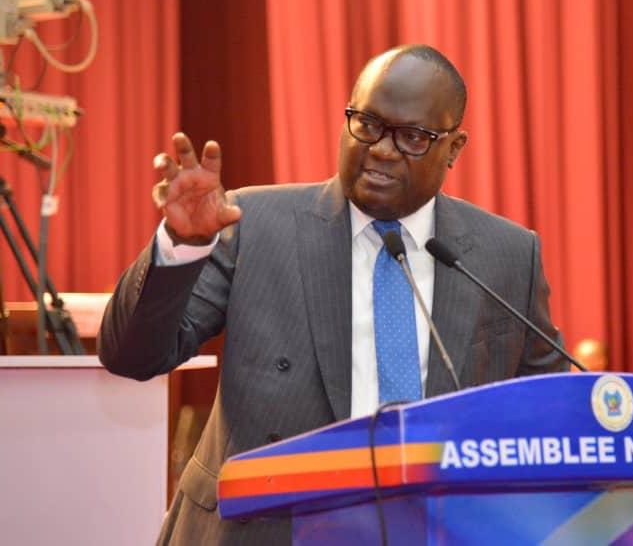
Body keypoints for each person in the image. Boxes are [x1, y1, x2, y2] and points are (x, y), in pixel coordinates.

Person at [98, 44, 565, 545]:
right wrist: (181, 246)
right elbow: (132, 356)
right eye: (368, 124)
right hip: (263, 530)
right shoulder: (253, 225)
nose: (382, 149)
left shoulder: (505, 254)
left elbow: (551, 409)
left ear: (453, 148)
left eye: (412, 137)